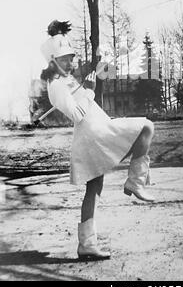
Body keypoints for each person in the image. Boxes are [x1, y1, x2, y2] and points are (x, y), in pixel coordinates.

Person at [40, 20, 155, 260]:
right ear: (53, 62)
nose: (71, 63)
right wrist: (90, 89)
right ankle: (135, 181)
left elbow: (83, 75)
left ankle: (86, 245)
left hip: (94, 134)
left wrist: (97, 63)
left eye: (71, 58)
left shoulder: (65, 80)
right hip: (93, 136)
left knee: (93, 188)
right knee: (146, 126)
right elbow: (77, 114)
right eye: (66, 59)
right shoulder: (57, 87)